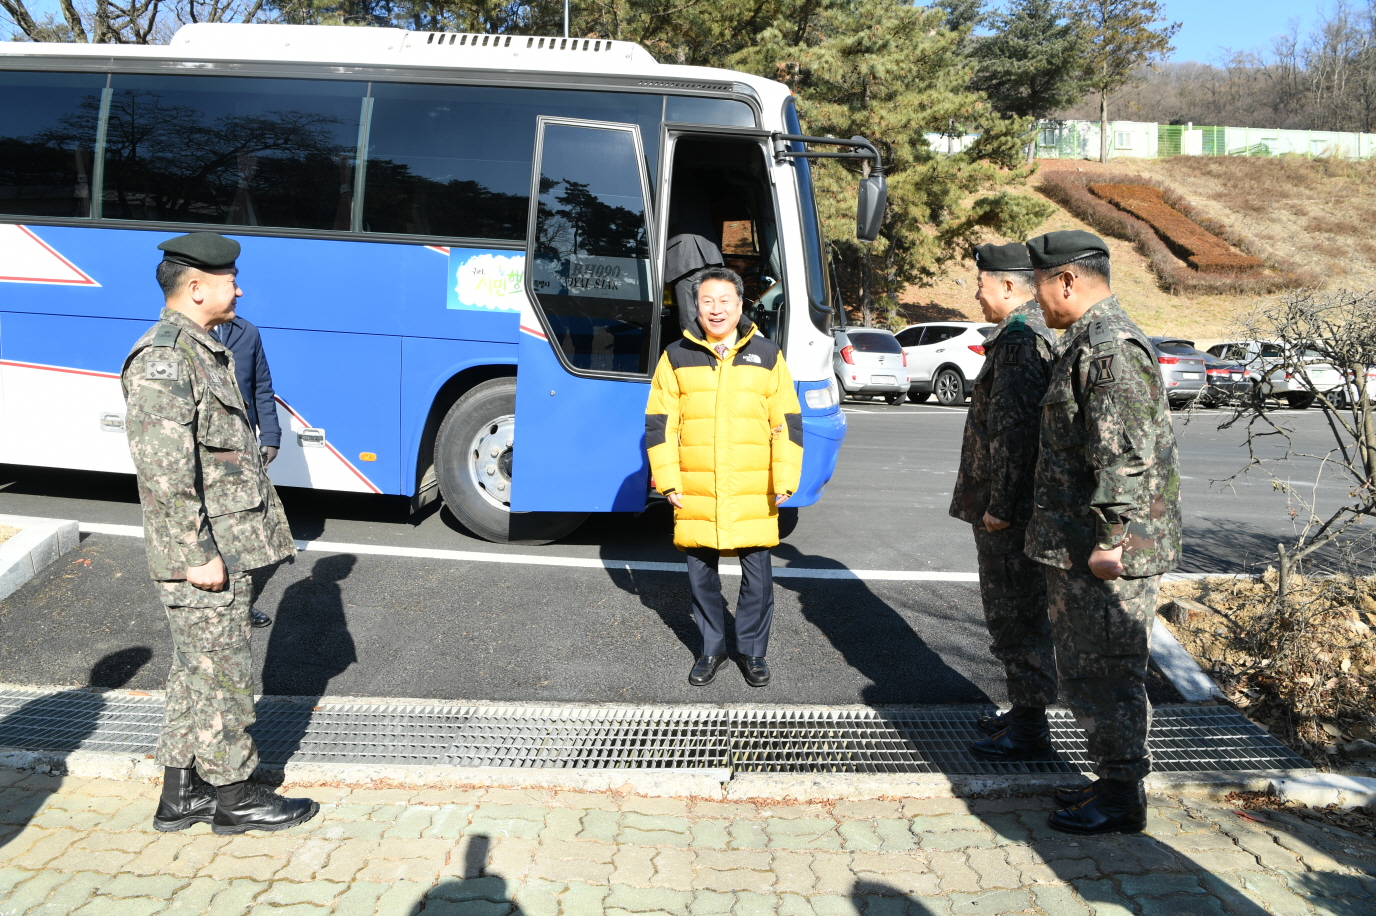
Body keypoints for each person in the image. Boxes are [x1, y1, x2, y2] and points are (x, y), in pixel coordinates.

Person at [122, 231, 318, 835]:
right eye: (230, 277)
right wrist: (197, 553)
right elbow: (163, 471)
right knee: (225, 674)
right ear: (197, 286)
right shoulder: (164, 358)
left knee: (195, 670)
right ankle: (235, 798)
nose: (240, 286)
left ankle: (180, 796)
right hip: (206, 556)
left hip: (227, 548)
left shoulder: (203, 349)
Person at [1023, 230, 1182, 835]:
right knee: (1091, 668)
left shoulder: (1108, 346)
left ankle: (1121, 797)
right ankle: (1112, 778)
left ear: (1067, 279)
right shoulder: (1089, 342)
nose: (1037, 302)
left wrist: (1110, 540)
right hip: (1085, 542)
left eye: (1040, 286)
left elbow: (1126, 455)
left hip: (1108, 550)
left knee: (1109, 670)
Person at [645, 266, 804, 687]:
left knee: (758, 577)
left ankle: (752, 653)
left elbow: (786, 420)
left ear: (740, 305)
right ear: (696, 306)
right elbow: (661, 424)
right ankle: (711, 649)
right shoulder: (676, 355)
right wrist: (669, 480)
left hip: (753, 484)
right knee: (701, 575)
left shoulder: (767, 354)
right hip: (697, 483)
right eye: (707, 302)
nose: (716, 311)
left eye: (724, 302)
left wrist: (785, 476)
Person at [948, 242, 1059, 762]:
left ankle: (1031, 729)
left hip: (1007, 514)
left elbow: (1013, 434)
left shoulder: (1018, 342)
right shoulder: (1027, 334)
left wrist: (1000, 505)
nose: (977, 293)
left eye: (982, 284)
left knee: (1014, 614)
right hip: (1012, 507)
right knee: (1017, 613)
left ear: (1009, 287)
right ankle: (1023, 711)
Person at [213, 315, 283, 629]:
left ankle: (241, 605)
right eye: (229, 287)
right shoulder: (188, 335)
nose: (236, 294)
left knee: (240, 527)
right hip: (206, 449)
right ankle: (213, 606)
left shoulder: (247, 332)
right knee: (211, 527)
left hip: (240, 447)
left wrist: (270, 436)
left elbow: (262, 387)